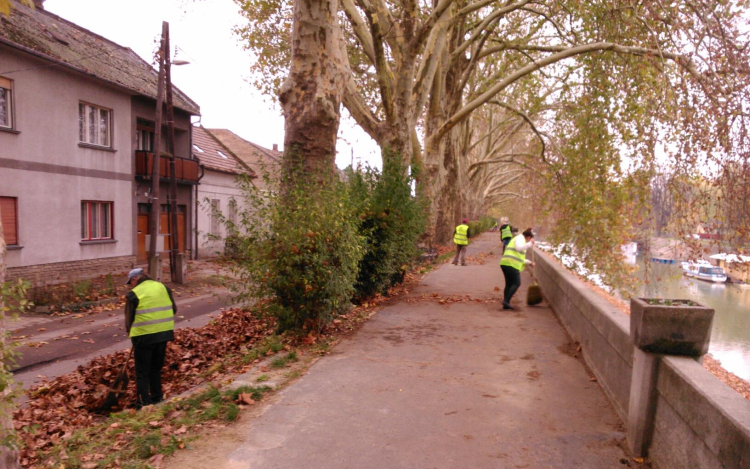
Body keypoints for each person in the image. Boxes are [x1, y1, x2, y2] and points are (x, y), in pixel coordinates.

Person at [124, 268, 177, 408]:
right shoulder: (163, 287)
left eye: (131, 282)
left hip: (143, 336)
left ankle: (143, 402)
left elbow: (129, 320)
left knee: (142, 372)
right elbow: (174, 309)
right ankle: (157, 398)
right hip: (164, 334)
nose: (131, 285)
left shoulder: (134, 294)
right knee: (156, 368)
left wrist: (133, 337)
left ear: (135, 278)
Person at [499, 228, 535, 310]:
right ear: (528, 237)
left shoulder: (519, 239)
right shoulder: (520, 239)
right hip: (511, 264)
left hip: (506, 263)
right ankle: (506, 301)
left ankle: (506, 303)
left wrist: (530, 263)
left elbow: (520, 258)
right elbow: (519, 248)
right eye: (529, 240)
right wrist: (529, 244)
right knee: (517, 283)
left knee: (509, 284)